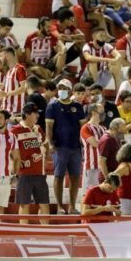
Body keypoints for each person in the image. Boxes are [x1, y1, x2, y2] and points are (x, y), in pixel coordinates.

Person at [46, 78, 86, 214]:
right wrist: (50, 143)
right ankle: (59, 206)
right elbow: (49, 127)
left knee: (75, 177)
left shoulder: (78, 106)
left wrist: (84, 144)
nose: (62, 90)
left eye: (65, 88)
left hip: (75, 147)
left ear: (70, 90)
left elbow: (83, 127)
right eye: (60, 87)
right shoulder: (53, 106)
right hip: (60, 146)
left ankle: (72, 205)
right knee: (59, 176)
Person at [10, 102, 50, 224]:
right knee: (24, 204)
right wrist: (15, 162)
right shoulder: (14, 131)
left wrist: (46, 152)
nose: (37, 116)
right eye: (35, 113)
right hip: (24, 173)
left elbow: (45, 145)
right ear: (27, 115)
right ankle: (23, 231)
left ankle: (46, 232)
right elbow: (8, 149)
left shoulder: (39, 129)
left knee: (44, 204)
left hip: (40, 172)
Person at [80, 103, 106, 194]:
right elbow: (94, 143)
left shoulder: (103, 128)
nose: (104, 113)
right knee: (89, 194)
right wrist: (106, 143)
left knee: (101, 194)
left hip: (103, 165)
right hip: (91, 165)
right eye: (101, 111)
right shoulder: (85, 128)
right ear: (94, 113)